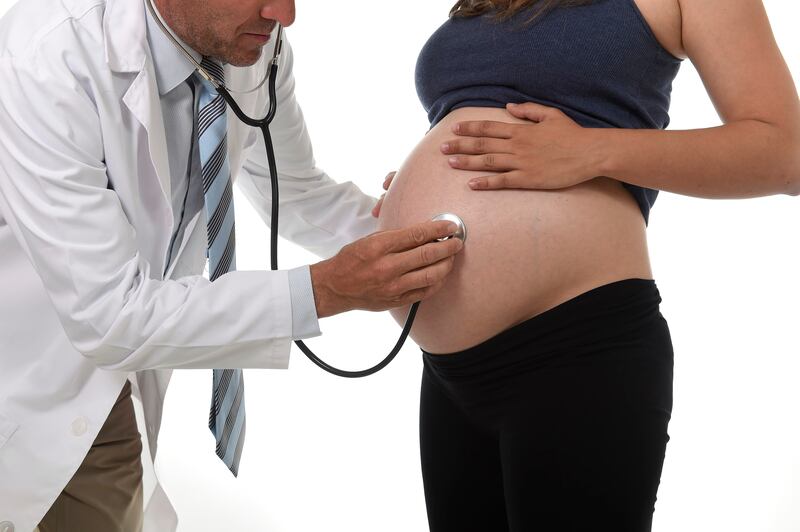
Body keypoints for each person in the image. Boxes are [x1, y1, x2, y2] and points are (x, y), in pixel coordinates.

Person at [0, 0, 465, 530]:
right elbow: (108, 314)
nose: (284, 14)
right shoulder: (48, 56)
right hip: (26, 368)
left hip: (107, 390)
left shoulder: (252, 48)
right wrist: (325, 291)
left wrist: (420, 234)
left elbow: (296, 192)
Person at [373, 0, 800, 530]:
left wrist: (590, 150)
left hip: (578, 346)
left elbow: (785, 153)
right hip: (449, 375)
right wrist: (425, 178)